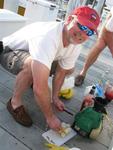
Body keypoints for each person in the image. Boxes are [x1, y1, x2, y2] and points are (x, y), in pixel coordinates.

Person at [0, 6, 100, 131]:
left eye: (89, 32)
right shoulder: (48, 37)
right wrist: (50, 117)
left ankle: (33, 78)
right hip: (7, 51)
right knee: (32, 66)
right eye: (82, 26)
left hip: (33, 54)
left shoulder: (75, 44)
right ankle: (14, 103)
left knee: (68, 69)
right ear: (69, 19)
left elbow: (61, 72)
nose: (83, 34)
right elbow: (40, 88)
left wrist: (55, 97)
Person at [75, 7, 113, 86]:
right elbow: (110, 18)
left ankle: (83, 72)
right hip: (108, 28)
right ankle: (83, 72)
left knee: (99, 46)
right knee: (98, 46)